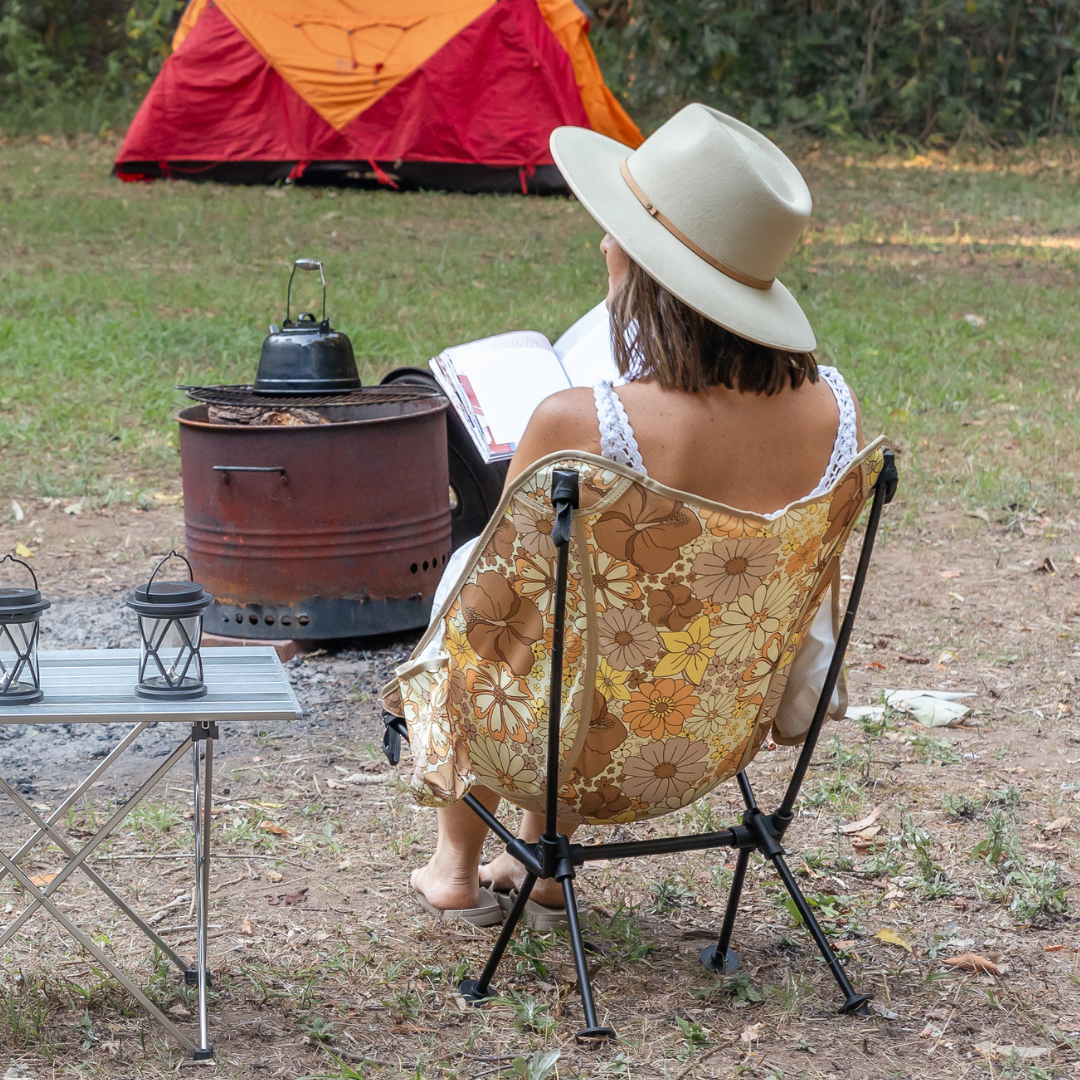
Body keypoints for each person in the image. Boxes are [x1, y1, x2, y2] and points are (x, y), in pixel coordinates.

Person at [409, 104, 864, 926]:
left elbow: (505, 611)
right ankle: (543, 865)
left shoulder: (579, 421)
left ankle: (454, 863)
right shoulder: (833, 412)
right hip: (704, 738)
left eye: (618, 230)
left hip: (569, 736)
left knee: (479, 586)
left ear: (652, 267)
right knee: (618, 609)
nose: (603, 243)